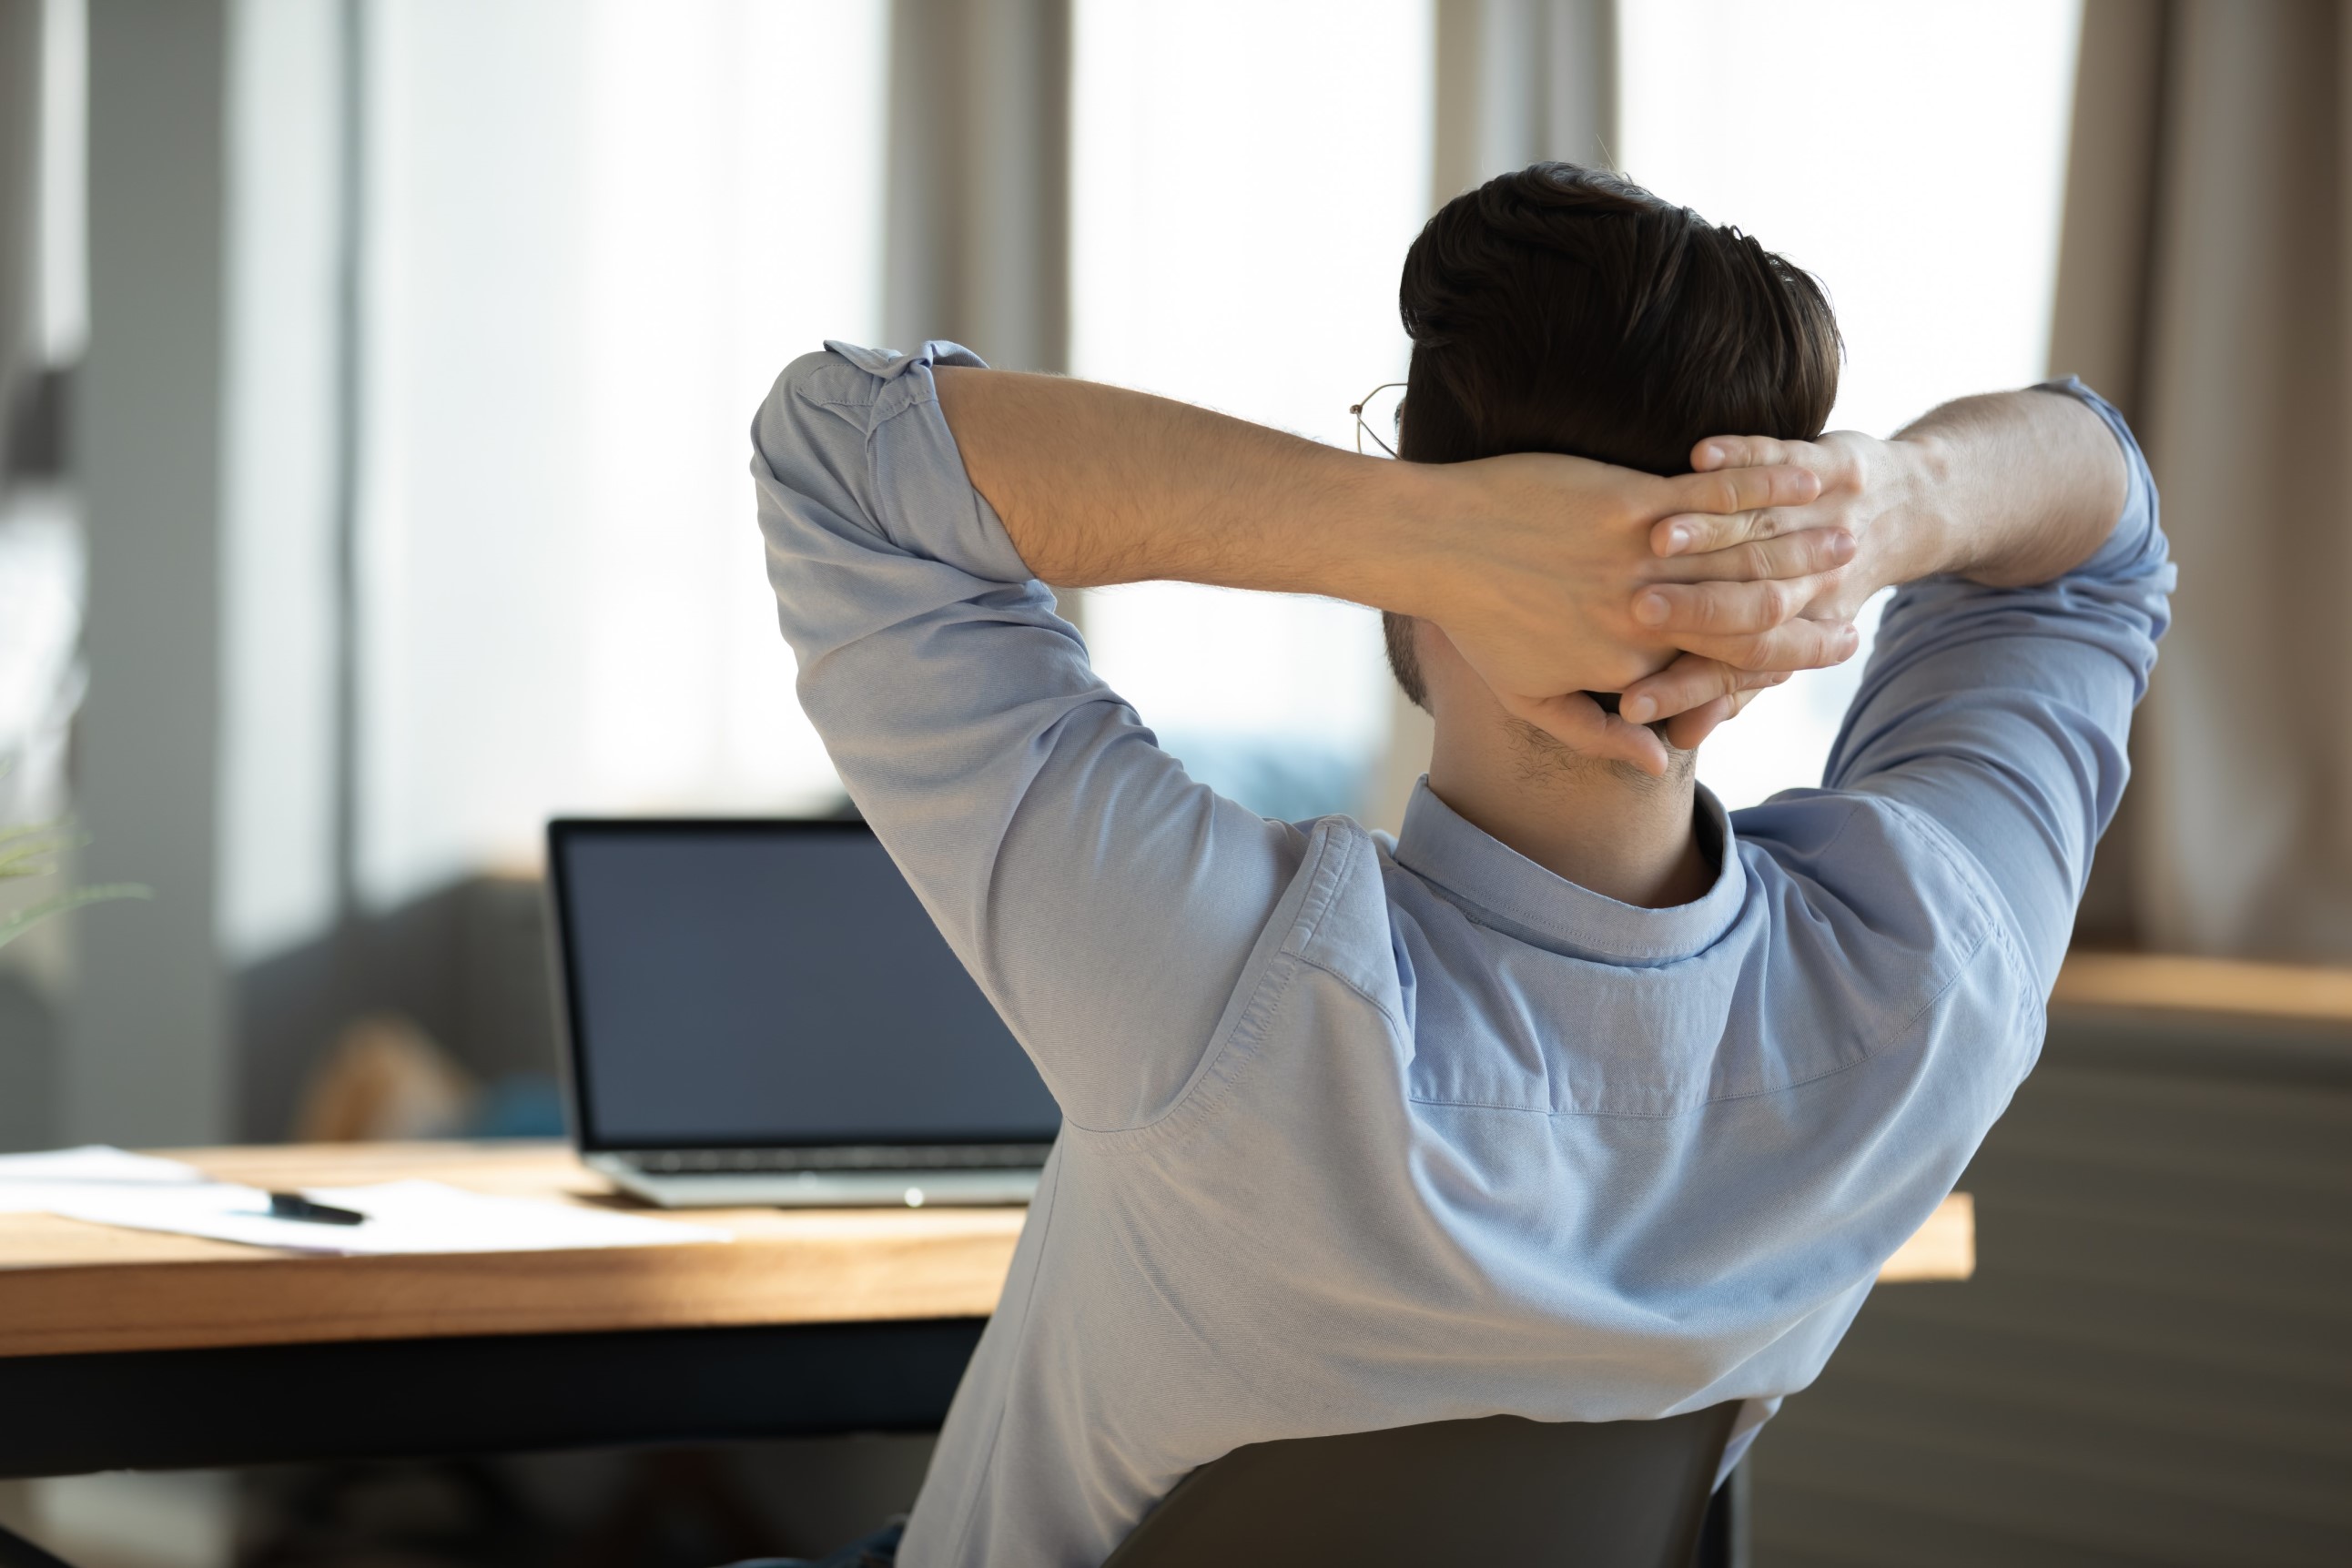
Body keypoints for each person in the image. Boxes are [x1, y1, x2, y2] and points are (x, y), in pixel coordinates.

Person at [742, 164, 2171, 1568]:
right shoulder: (1927, 985)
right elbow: (2101, 543)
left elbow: (840, 455)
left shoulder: (1218, 986)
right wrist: (1888, 502)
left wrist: (1418, 535)